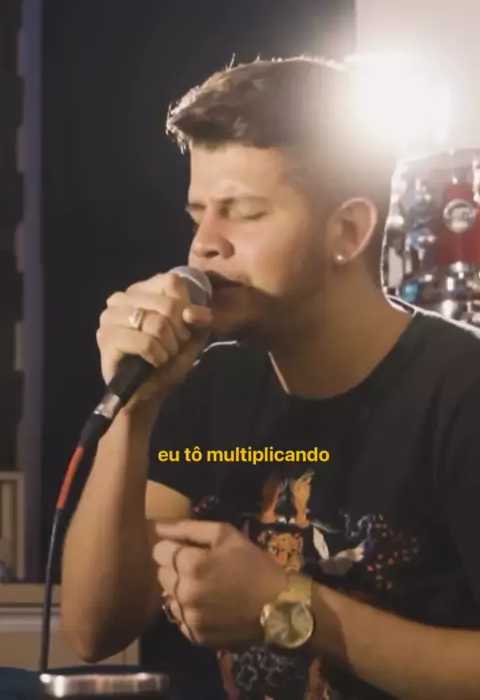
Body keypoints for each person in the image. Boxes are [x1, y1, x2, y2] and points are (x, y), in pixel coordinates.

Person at [60, 57, 480, 700]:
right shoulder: (209, 384)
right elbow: (95, 629)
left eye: (243, 213)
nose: (203, 245)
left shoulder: (460, 392)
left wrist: (285, 607)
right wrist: (134, 412)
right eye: (199, 214)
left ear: (347, 231)